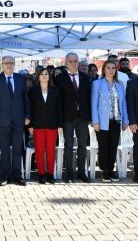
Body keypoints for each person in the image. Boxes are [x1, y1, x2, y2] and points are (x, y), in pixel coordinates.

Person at [0, 56, 30, 186]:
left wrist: (27, 116)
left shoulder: (20, 79)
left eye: (11, 63)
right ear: (2, 65)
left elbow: (25, 99)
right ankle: (4, 177)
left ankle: (18, 176)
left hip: (18, 119)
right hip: (2, 120)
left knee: (18, 149)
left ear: (14, 65)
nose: (9, 65)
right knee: (5, 150)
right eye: (6, 63)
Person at [55, 53, 91, 183]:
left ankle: (82, 172)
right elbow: (58, 101)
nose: (73, 63)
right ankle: (69, 173)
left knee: (82, 145)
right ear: (66, 63)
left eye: (75, 61)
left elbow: (89, 98)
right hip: (67, 117)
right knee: (68, 146)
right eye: (70, 61)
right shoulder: (59, 78)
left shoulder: (86, 78)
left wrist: (90, 117)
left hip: (83, 117)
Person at [91, 60, 128, 182]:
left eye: (113, 68)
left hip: (116, 119)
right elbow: (94, 103)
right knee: (104, 146)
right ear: (104, 70)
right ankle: (105, 171)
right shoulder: (97, 83)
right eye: (108, 68)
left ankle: (111, 169)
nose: (111, 70)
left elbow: (123, 104)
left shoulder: (120, 85)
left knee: (113, 146)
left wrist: (125, 120)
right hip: (102, 121)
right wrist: (95, 121)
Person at [28, 67, 63, 184]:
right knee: (39, 150)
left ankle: (51, 174)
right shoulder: (33, 90)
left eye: (46, 74)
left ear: (49, 77)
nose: (44, 76)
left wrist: (60, 125)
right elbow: (30, 109)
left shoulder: (55, 90)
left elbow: (59, 108)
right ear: (38, 77)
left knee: (50, 151)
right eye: (42, 74)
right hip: (38, 124)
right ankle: (41, 174)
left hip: (52, 125)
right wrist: (30, 125)